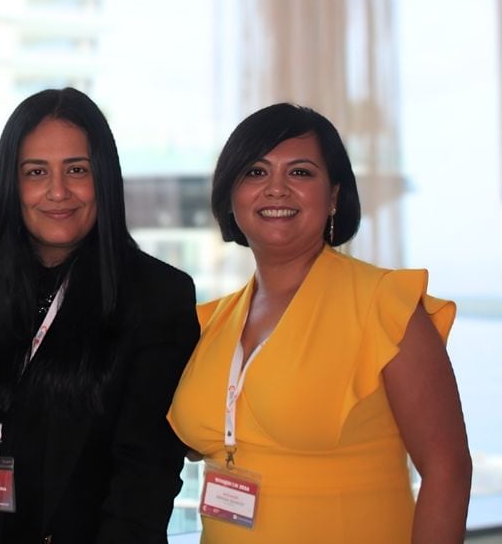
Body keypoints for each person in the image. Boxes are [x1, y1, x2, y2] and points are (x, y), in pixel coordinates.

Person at [168, 103, 472, 543]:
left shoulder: (384, 304)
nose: (276, 189)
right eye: (255, 172)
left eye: (300, 173)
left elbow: (448, 471)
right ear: (230, 197)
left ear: (333, 197)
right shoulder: (210, 321)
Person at [0, 87, 200, 543]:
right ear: (10, 182)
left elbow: (145, 475)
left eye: (78, 170)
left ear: (105, 178)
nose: (58, 192)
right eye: (36, 172)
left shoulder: (156, 295)